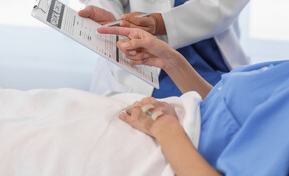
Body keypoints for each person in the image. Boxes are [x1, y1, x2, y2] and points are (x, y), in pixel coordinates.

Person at [78, 0, 266, 98]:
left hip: (210, 63)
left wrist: (159, 23)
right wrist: (111, 20)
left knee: (213, 122)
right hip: (137, 59)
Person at [97, 26, 289, 175]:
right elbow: (225, 112)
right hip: (166, 129)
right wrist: (170, 61)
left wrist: (162, 125)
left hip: (171, 146)